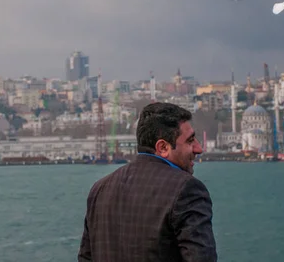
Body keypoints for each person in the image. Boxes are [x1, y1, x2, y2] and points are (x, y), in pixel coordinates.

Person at [78, 102, 217, 262]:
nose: (199, 148)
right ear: (163, 147)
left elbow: (86, 258)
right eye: (190, 140)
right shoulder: (186, 190)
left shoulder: (99, 189)